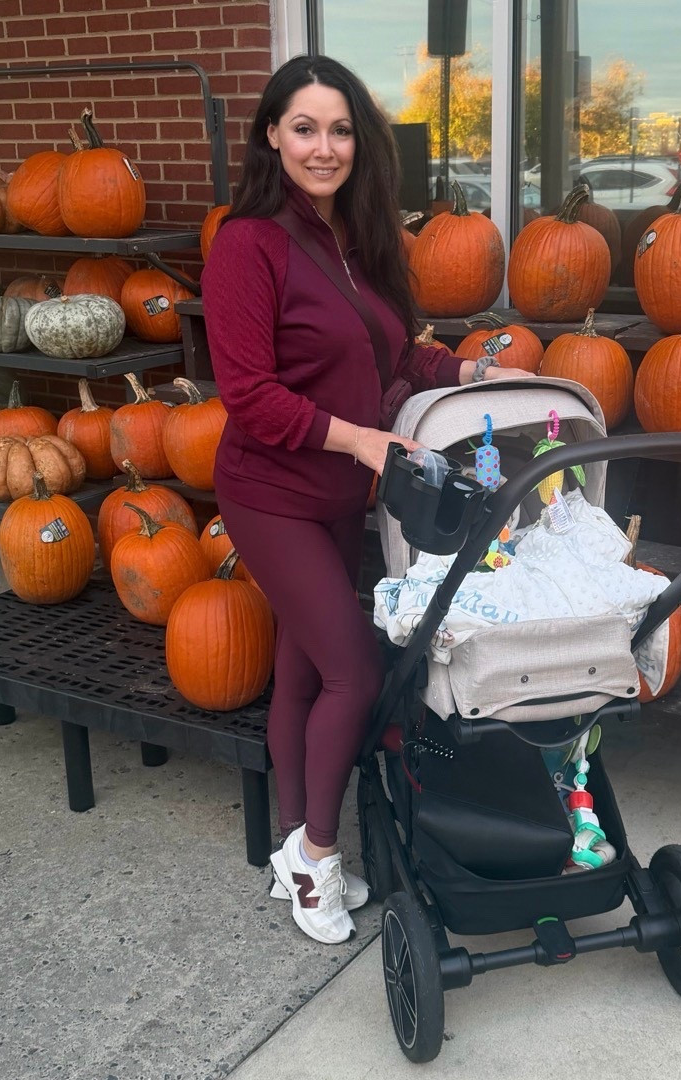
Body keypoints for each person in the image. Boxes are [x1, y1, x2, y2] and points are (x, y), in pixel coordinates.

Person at [200, 54, 529, 945]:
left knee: (304, 669)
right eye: (304, 127)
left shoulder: (361, 238)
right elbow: (250, 394)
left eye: (339, 129)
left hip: (346, 489)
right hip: (271, 491)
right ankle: (315, 856)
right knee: (354, 666)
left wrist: (476, 373)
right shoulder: (247, 242)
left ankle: (283, 848)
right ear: (272, 134)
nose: (323, 146)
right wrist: (363, 440)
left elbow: (394, 355)